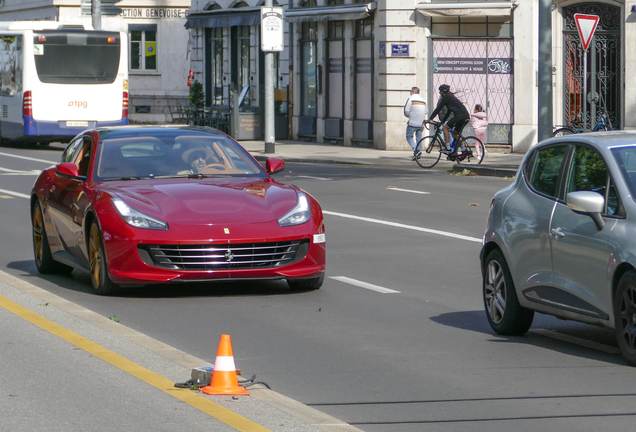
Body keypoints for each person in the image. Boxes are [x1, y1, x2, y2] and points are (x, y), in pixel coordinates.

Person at [428, 84, 470, 154]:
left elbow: (438, 109)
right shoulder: (450, 97)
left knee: (445, 128)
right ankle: (464, 149)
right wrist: (442, 122)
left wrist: (429, 119)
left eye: (440, 92)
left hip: (460, 116)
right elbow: (448, 112)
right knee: (454, 134)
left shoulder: (446, 98)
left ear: (442, 92)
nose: (440, 93)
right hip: (465, 116)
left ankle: (448, 148)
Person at [404, 86, 428, 160]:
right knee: (419, 138)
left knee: (409, 136)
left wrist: (410, 116)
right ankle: (419, 152)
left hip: (412, 123)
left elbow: (406, 111)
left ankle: (415, 149)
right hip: (421, 123)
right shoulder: (424, 101)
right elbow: (426, 111)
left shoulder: (411, 99)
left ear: (412, 92)